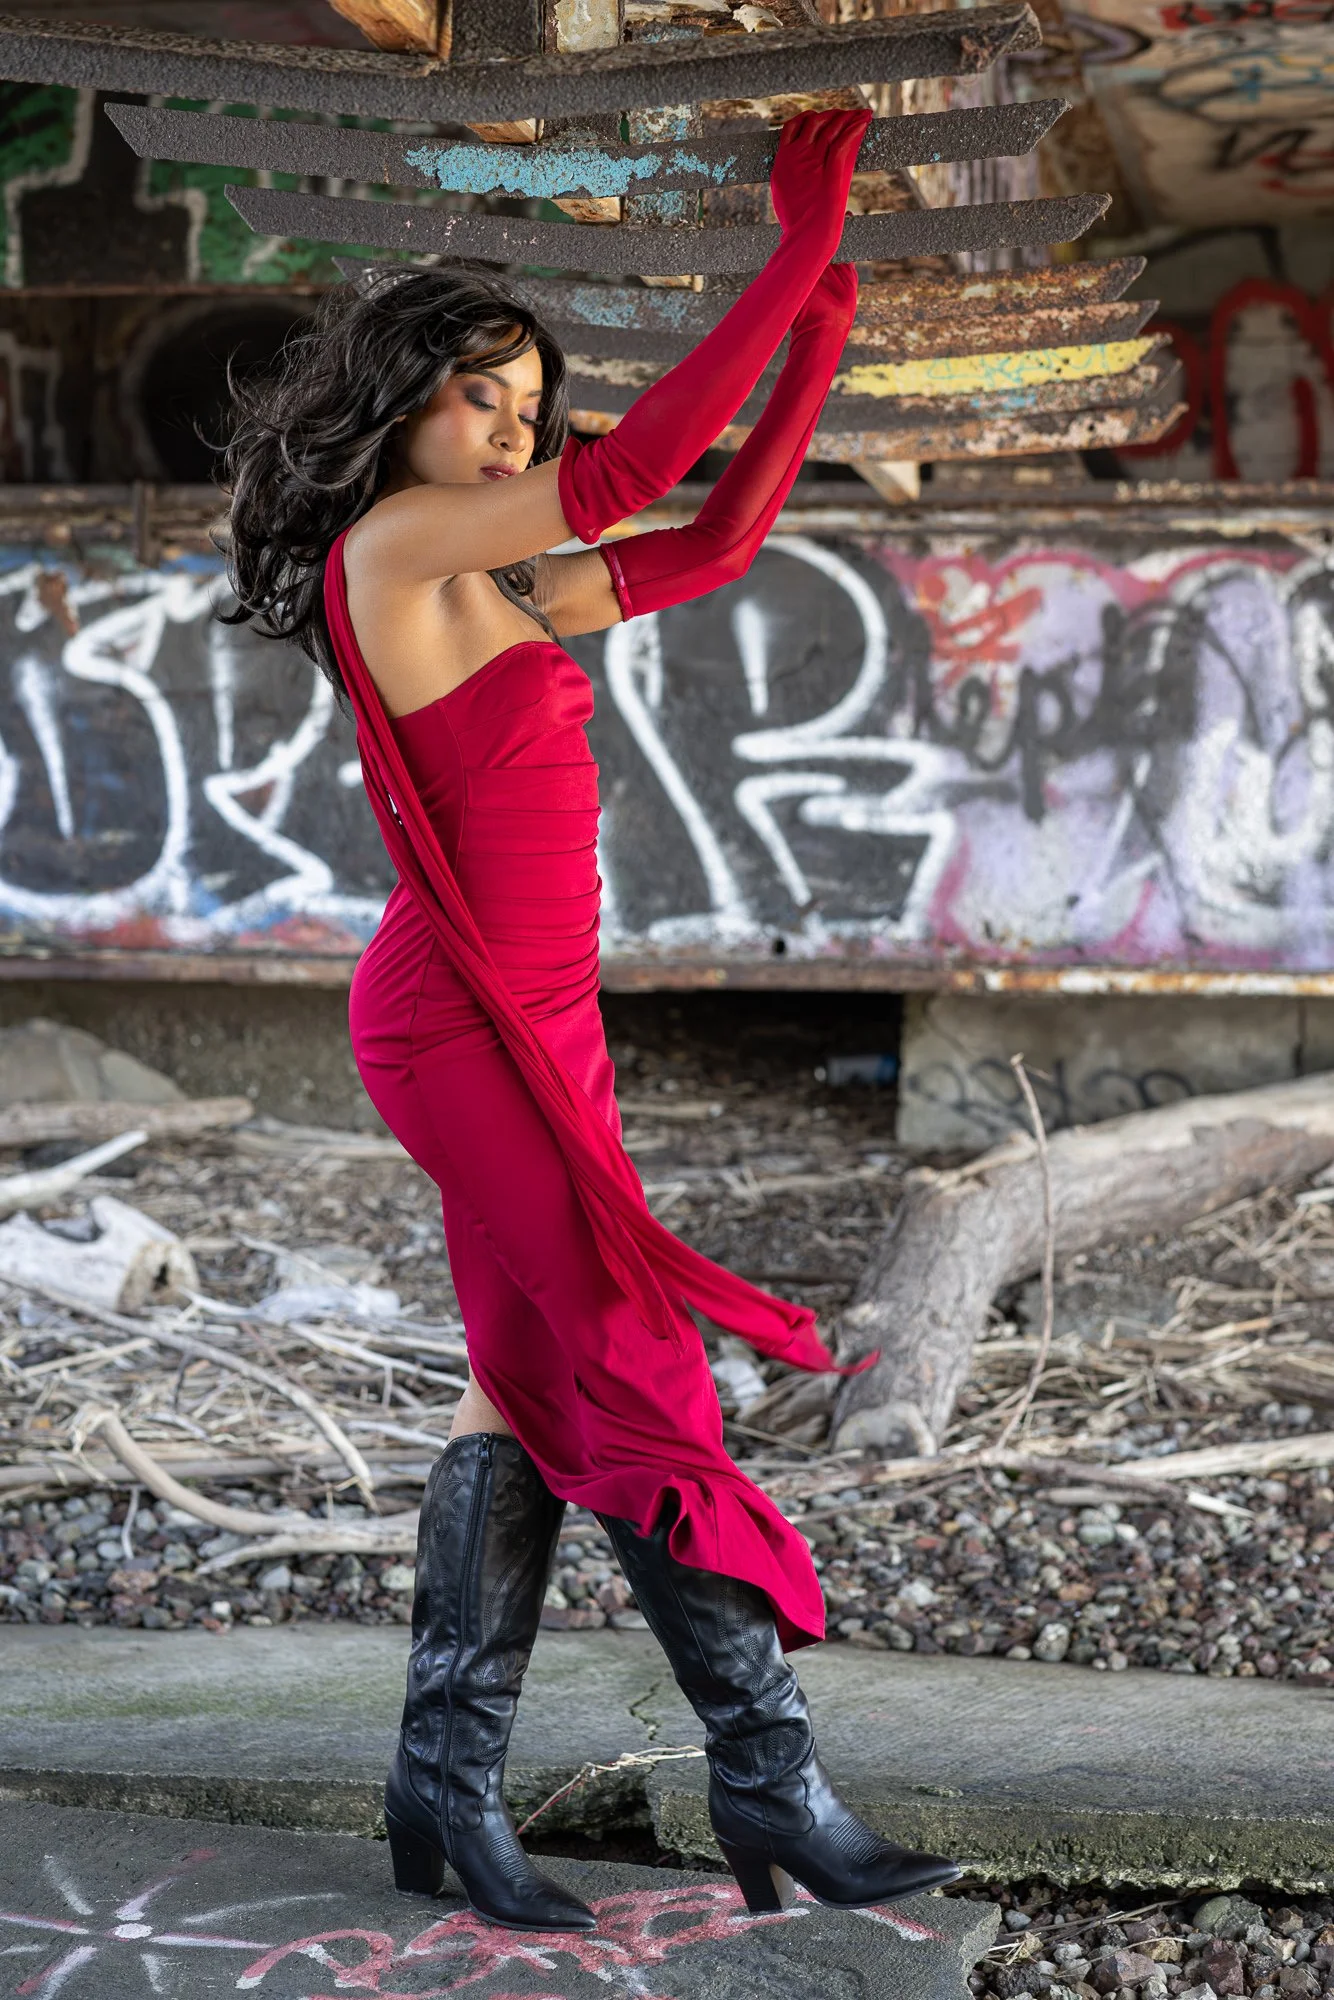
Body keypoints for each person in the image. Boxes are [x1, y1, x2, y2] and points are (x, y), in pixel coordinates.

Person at [223, 107, 959, 1936]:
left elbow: (704, 540)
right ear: (404, 405)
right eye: (487, 396)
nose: (517, 430)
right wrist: (786, 253)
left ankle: (441, 1793)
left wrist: (816, 347)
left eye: (530, 404)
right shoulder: (397, 551)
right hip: (457, 1026)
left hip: (540, 1031)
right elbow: (632, 476)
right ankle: (772, 1781)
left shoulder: (484, 583)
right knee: (636, 1360)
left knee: (528, 1383)